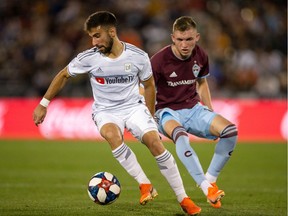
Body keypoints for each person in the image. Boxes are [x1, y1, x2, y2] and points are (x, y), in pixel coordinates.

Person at [33, 11, 201, 215]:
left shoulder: (138, 56)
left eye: (97, 36)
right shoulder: (89, 58)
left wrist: (150, 116)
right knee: (112, 135)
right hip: (106, 111)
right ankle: (144, 184)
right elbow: (64, 74)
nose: (93, 42)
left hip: (133, 107)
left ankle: (183, 198)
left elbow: (149, 86)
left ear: (112, 32)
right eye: (91, 37)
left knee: (154, 142)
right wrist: (44, 103)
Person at [150, 16, 238, 208]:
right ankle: (207, 188)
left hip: (193, 108)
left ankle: (211, 178)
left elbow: (202, 82)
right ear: (172, 38)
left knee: (230, 131)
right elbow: (146, 89)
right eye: (180, 39)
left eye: (189, 39)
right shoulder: (158, 60)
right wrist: (149, 118)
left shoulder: (201, 55)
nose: (184, 44)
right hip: (167, 111)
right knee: (180, 136)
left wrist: (209, 110)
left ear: (197, 37)